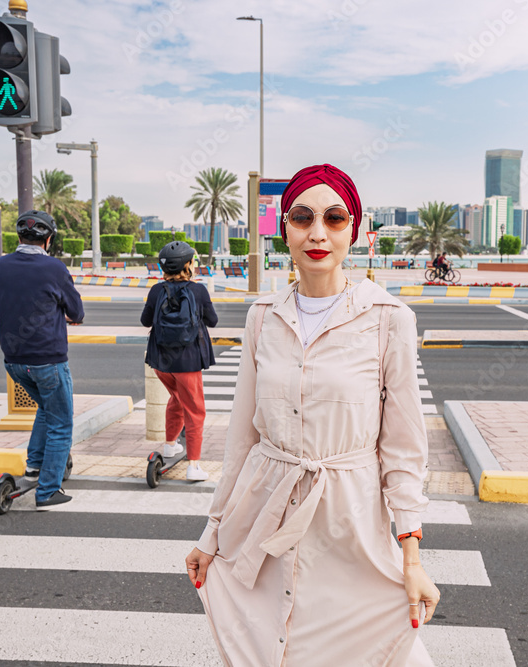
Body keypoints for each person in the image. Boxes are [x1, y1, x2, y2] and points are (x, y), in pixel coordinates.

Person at [186, 164, 440, 665]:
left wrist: (411, 559)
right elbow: (242, 438)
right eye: (302, 218)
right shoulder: (263, 316)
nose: (318, 233)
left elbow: (404, 451)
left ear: (356, 230)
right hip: (265, 513)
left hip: (350, 526)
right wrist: (211, 534)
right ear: (284, 229)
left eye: (335, 218)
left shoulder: (390, 319)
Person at [0, 210, 84, 509]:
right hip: (48, 359)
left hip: (14, 361)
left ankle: (33, 466)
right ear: (49, 239)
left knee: (45, 407)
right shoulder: (54, 268)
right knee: (61, 424)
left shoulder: (0, 266)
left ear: (18, 237)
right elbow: (76, 312)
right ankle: (48, 490)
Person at [141, 241, 219, 481]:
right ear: (188, 265)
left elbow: (146, 321)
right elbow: (213, 321)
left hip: (161, 362)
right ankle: (194, 466)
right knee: (195, 411)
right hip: (188, 362)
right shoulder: (198, 291)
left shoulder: (156, 290)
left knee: (175, 399)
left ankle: (169, 445)